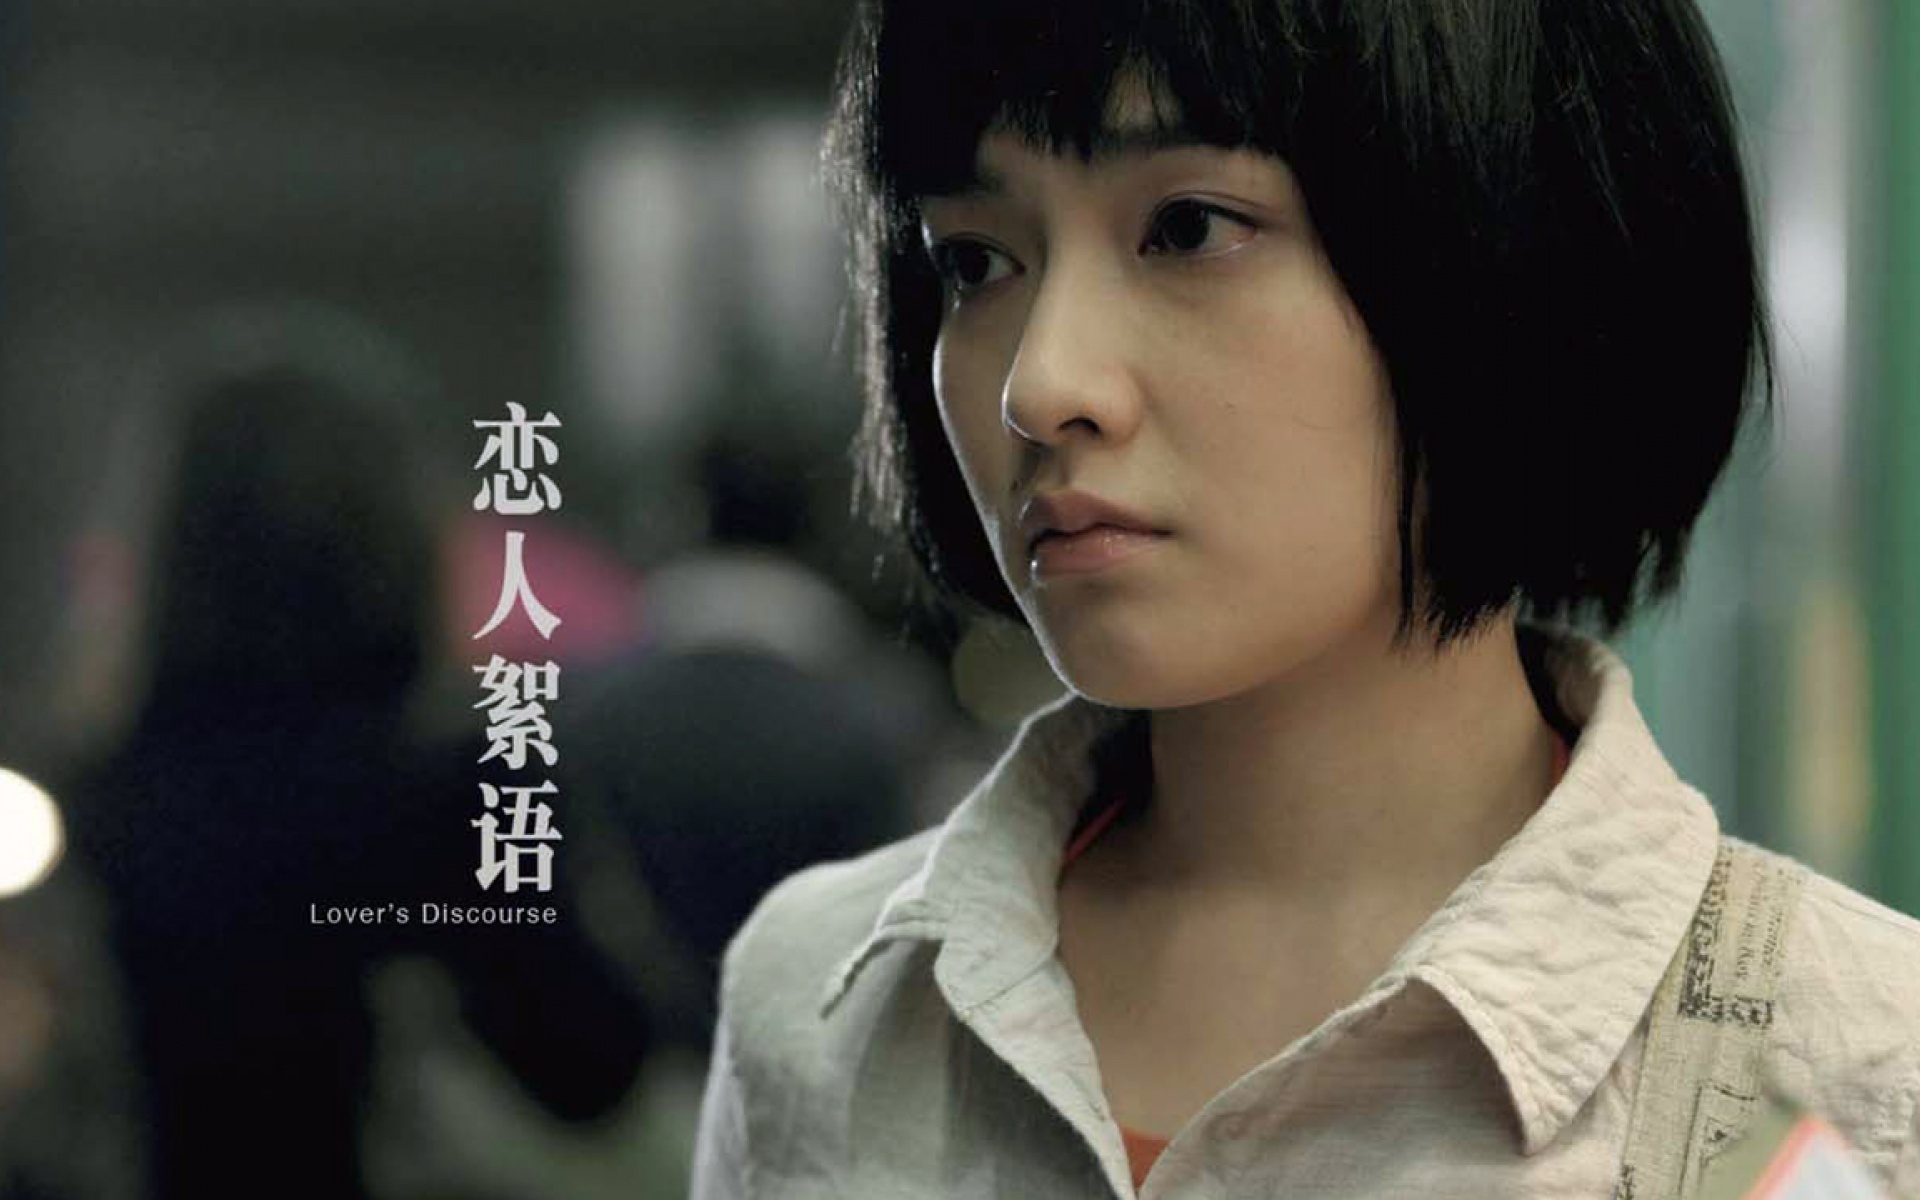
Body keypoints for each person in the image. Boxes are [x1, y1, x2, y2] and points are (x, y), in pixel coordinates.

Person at [689, 1, 1920, 1197]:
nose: (1042, 384)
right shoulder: (822, 1010)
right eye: (974, 261)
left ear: (1517, 245)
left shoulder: (1853, 1073)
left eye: (1186, 229)